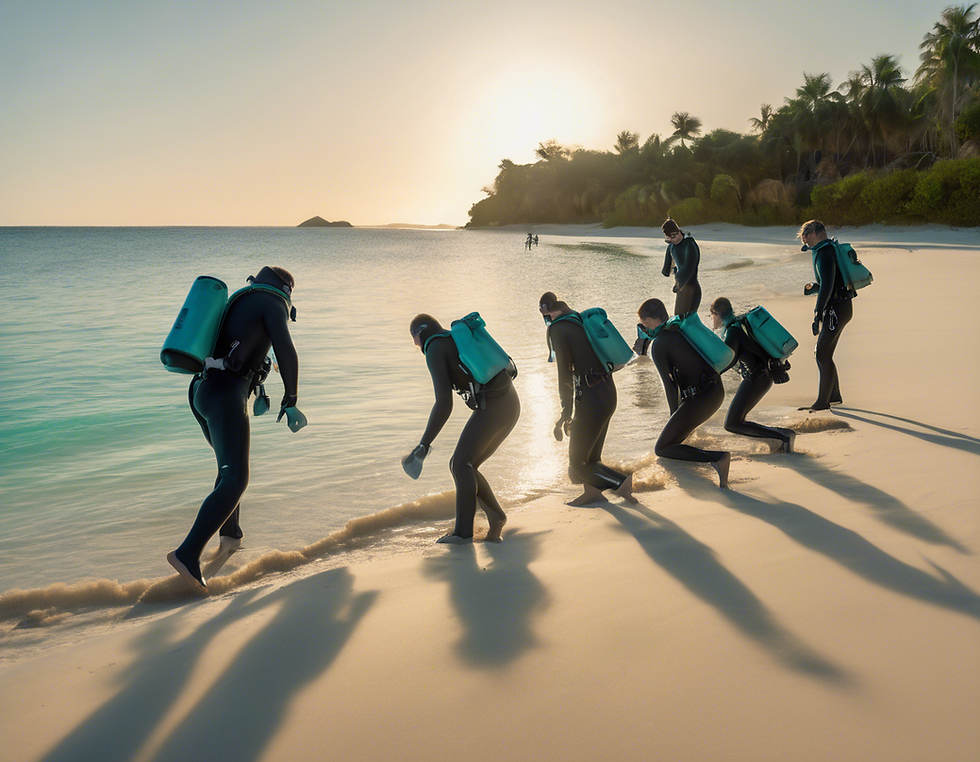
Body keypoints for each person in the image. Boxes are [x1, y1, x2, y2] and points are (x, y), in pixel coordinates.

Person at [168, 266, 303, 591]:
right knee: (236, 478)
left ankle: (230, 535)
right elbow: (286, 351)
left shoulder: (241, 303)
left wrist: (259, 390)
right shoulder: (272, 304)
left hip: (202, 392)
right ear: (286, 291)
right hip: (225, 395)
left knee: (227, 470)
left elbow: (241, 354)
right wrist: (292, 397)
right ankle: (187, 554)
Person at [405, 314, 521, 544]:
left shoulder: (435, 348)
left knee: (461, 464)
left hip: (496, 406)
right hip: (509, 403)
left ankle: (463, 534)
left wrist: (424, 444)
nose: (416, 345)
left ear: (421, 332)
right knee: (464, 464)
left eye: (414, 338)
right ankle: (496, 517)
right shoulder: (451, 339)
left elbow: (443, 403)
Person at [540, 292, 635, 505]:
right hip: (607, 393)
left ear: (544, 310)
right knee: (591, 459)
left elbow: (564, 373)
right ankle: (593, 493)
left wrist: (565, 412)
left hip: (591, 398)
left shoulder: (557, 328)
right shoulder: (578, 319)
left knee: (577, 465)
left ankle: (621, 483)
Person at [638, 298, 731, 488]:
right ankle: (698, 465)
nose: (642, 329)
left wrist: (674, 415)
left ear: (652, 320)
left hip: (701, 398)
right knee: (676, 438)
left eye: (643, 324)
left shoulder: (658, 344)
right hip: (715, 390)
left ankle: (718, 458)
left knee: (662, 447)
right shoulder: (678, 329)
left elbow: (669, 385)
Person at [710, 297, 796, 452]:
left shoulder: (732, 331)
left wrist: (711, 373)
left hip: (757, 378)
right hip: (763, 376)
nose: (711, 320)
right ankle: (783, 435)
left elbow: (728, 360)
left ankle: (782, 437)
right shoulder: (739, 324)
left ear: (717, 314)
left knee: (732, 423)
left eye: (711, 316)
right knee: (736, 421)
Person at [798, 219, 853, 411]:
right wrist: (816, 288)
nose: (804, 240)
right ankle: (834, 396)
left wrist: (817, 313)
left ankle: (822, 402)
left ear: (814, 233)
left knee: (821, 353)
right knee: (825, 353)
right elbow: (831, 282)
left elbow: (829, 285)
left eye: (805, 236)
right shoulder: (830, 249)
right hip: (842, 307)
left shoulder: (823, 252)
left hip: (835, 310)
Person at [661, 218, 701, 316]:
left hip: (691, 288)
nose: (672, 240)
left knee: (685, 323)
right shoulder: (671, 246)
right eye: (668, 239)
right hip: (681, 289)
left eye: (673, 236)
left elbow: (689, 268)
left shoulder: (690, 244)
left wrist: (677, 280)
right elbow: (667, 270)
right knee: (679, 322)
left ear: (679, 232)